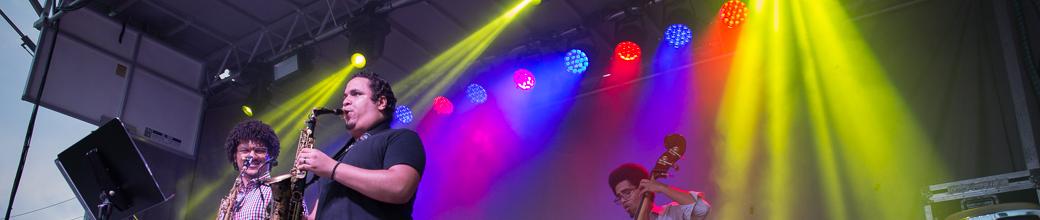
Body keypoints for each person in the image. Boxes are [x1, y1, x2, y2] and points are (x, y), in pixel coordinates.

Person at [296, 71, 426, 219]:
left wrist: (332, 168)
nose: (345, 101)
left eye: (356, 94)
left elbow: (400, 187)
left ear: (381, 102)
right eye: (345, 96)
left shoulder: (400, 137)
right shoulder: (339, 155)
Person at [217, 120, 280, 220]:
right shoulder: (231, 199)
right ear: (235, 156)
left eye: (259, 150)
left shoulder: (280, 191)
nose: (252, 156)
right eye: (245, 150)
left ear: (271, 156)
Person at [609, 163, 711, 220]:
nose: (623, 200)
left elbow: (702, 209)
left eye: (627, 193)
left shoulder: (671, 213)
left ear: (643, 187)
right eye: (619, 197)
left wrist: (663, 188)